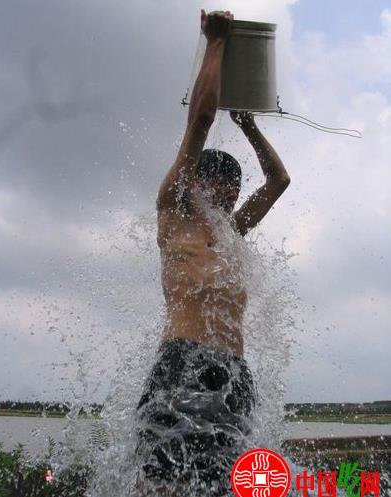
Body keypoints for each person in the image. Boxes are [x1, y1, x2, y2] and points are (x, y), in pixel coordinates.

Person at [133, 9, 291, 497]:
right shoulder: (172, 212)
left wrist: (247, 124)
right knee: (158, 486)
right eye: (219, 184)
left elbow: (279, 181)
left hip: (234, 373)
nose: (228, 196)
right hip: (181, 361)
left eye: (233, 188)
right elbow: (200, 120)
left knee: (223, 487)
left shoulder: (231, 233)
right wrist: (216, 42)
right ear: (195, 181)